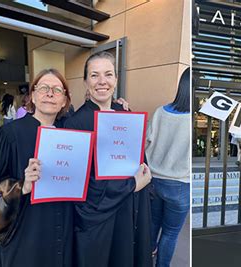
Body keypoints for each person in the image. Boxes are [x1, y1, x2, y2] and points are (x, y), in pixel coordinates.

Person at [64, 51, 153, 267]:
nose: (102, 81)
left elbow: (137, 161)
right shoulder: (75, 124)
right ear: (85, 81)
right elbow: (80, 186)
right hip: (97, 220)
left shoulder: (125, 115)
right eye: (94, 75)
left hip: (129, 211)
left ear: (116, 79)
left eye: (108, 74)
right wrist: (131, 184)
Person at [0, 69, 73, 267]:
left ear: (64, 100)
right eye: (43, 88)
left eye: (57, 90)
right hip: (24, 235)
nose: (50, 94)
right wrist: (21, 186)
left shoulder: (71, 134)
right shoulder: (9, 135)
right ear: (32, 95)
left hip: (62, 231)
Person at [147, 68, 190, 267]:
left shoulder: (160, 112)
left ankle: (144, 259)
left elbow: (147, 142)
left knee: (153, 225)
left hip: (154, 180)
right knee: (171, 233)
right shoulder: (194, 118)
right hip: (181, 184)